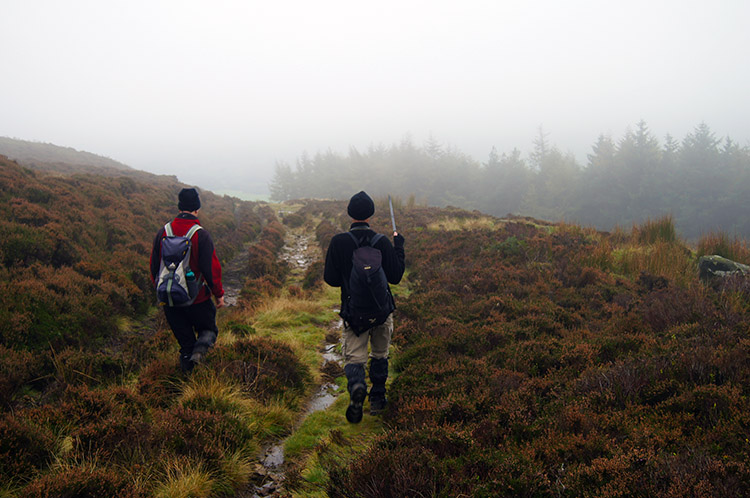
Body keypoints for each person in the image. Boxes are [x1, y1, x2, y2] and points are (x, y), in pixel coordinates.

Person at [324, 191, 405, 423]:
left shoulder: (339, 242)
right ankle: (378, 399)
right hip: (381, 311)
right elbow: (396, 276)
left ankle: (358, 386)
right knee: (380, 354)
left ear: (350, 214)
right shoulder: (381, 241)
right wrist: (398, 247)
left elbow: (330, 278)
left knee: (355, 358)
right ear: (370, 214)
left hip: (354, 312)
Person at [150, 187, 225, 374]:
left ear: (179, 207)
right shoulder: (201, 234)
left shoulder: (163, 232)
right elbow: (211, 269)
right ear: (197, 209)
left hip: (171, 299)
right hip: (197, 299)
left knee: (185, 345)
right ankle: (200, 356)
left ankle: (186, 383)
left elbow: (154, 267)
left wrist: (164, 291)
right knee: (208, 331)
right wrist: (219, 295)